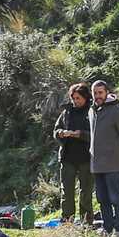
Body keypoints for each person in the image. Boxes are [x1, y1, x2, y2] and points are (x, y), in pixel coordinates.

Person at [88, 79, 119, 237]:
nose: (97, 96)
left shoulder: (116, 110)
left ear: (107, 92)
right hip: (96, 164)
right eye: (95, 93)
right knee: (102, 198)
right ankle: (107, 228)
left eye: (100, 92)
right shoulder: (92, 110)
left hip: (113, 163)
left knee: (116, 198)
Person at [53, 83, 93, 225]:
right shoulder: (67, 112)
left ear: (86, 97)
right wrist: (61, 133)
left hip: (86, 159)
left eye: (78, 98)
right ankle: (67, 223)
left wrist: (80, 134)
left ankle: (86, 223)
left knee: (85, 193)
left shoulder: (92, 112)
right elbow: (56, 131)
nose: (75, 101)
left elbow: (97, 134)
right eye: (73, 98)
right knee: (67, 193)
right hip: (67, 158)